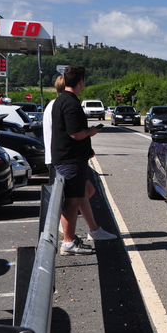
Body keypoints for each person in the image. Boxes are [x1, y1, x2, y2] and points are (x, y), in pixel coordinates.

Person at [44, 75, 115, 242]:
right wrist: (89, 133)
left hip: (59, 157)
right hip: (64, 158)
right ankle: (70, 229)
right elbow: (72, 134)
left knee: (85, 192)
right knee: (75, 198)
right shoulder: (63, 105)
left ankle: (93, 229)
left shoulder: (55, 105)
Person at [51, 65, 105, 255]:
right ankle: (68, 242)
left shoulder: (60, 100)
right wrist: (92, 131)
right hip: (70, 160)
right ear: (81, 82)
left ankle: (72, 237)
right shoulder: (71, 103)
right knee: (72, 201)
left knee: (80, 195)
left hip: (68, 158)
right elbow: (75, 134)